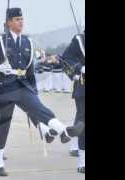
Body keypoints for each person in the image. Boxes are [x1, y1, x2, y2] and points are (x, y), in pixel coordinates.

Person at [0, 7, 85, 176]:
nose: (21, 22)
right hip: (5, 87)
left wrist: (33, 90)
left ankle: (64, 131)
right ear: (9, 22)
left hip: (22, 85)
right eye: (17, 19)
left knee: (40, 108)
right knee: (4, 124)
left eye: (22, 19)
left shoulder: (28, 42)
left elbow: (29, 71)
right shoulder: (0, 40)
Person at [62, 30, 85, 173]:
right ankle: (82, 160)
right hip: (83, 87)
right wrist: (79, 68)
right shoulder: (80, 40)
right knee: (83, 120)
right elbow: (65, 59)